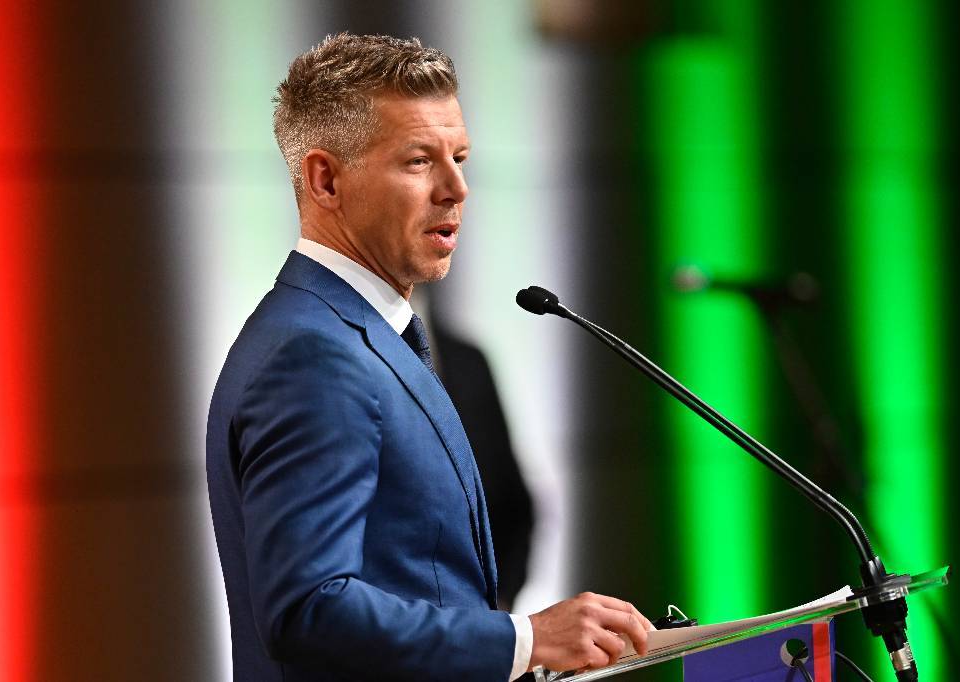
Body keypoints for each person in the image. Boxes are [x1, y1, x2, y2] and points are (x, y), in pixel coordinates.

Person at [206, 33, 653, 682]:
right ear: (326, 179)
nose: (457, 188)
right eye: (419, 161)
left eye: (460, 158)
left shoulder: (356, 334)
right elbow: (308, 610)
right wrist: (525, 639)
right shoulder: (312, 356)